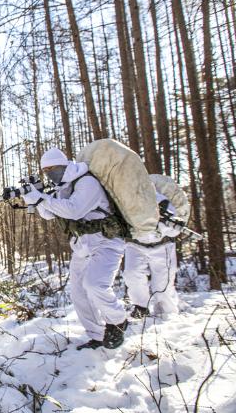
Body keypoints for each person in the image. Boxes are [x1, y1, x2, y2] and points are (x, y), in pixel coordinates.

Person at [22, 147, 128, 350]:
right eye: (47, 170)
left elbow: (74, 210)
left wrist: (41, 198)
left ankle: (118, 320)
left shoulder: (86, 181)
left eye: (54, 168)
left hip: (106, 242)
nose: (51, 173)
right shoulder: (63, 186)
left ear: (65, 165)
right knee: (79, 293)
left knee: (95, 285)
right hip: (82, 245)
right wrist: (33, 198)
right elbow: (49, 214)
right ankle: (96, 336)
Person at [123, 192, 181, 317]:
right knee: (132, 274)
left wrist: (162, 225)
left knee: (162, 284)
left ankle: (166, 312)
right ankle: (140, 306)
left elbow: (174, 230)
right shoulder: (128, 197)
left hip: (162, 246)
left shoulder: (165, 202)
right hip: (136, 244)